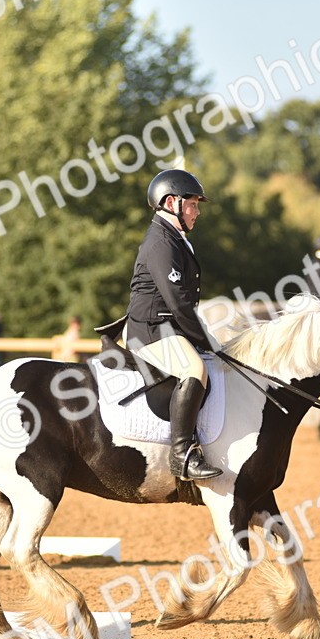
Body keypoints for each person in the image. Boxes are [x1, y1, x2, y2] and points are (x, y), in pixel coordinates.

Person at [125, 169, 222, 481]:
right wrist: (206, 341)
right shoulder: (160, 242)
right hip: (152, 331)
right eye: (193, 204)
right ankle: (182, 455)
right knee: (196, 368)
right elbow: (179, 303)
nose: (197, 212)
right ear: (171, 203)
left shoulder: (174, 238)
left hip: (168, 328)